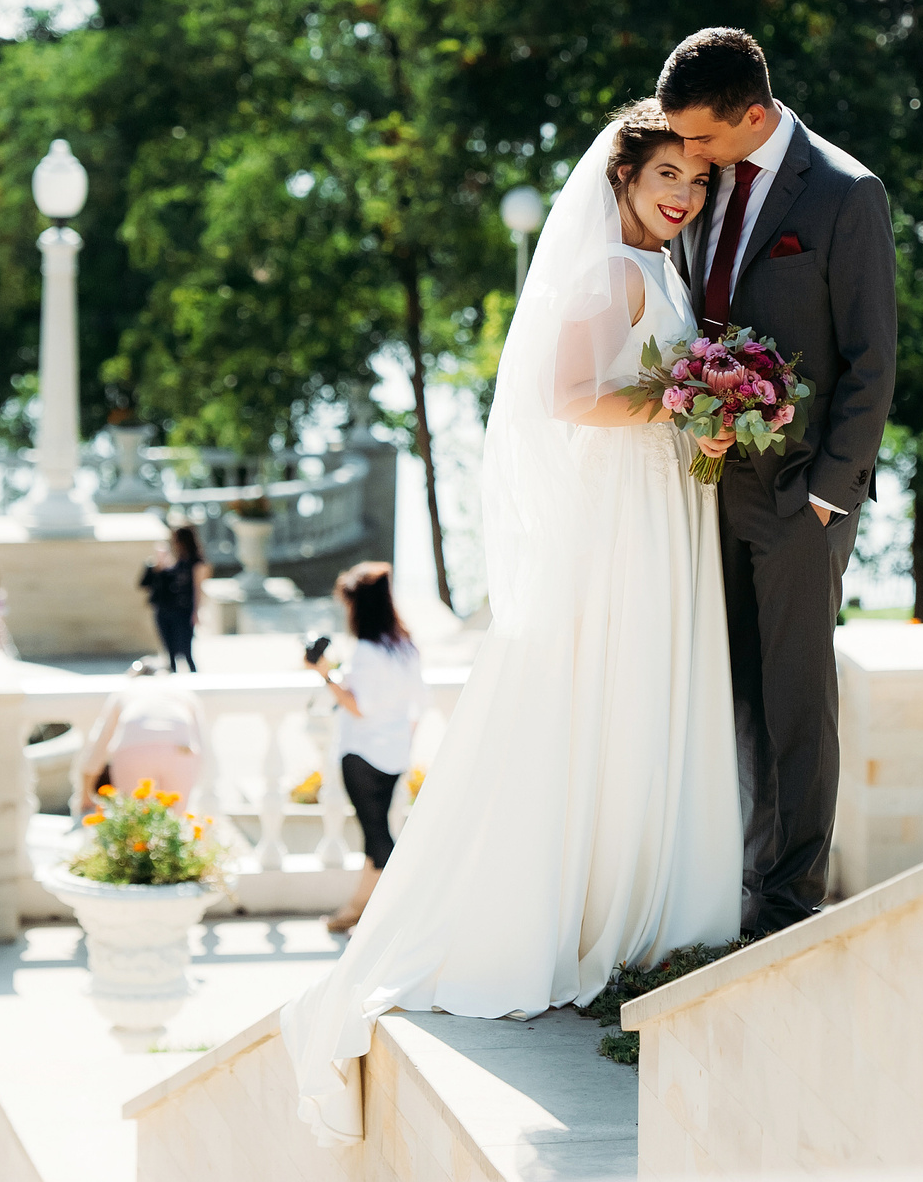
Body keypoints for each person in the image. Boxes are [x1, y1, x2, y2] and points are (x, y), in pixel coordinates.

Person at [280, 99, 744, 1145]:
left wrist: (706, 406)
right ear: (623, 178)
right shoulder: (611, 271)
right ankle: (581, 915)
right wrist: (687, 399)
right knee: (608, 695)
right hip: (622, 519)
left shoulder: (662, 268)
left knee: (643, 699)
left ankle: (638, 909)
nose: (683, 193)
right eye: (666, 175)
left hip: (659, 507)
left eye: (697, 178)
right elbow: (570, 394)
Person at [659, 26, 897, 937]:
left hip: (801, 496)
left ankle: (787, 910)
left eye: (703, 137)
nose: (689, 153)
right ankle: (728, 889)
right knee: (727, 695)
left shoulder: (844, 193)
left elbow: (873, 360)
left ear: (754, 115)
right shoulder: (703, 181)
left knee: (795, 704)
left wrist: (829, 496)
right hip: (704, 489)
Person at [307, 562, 430, 934]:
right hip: (393, 754)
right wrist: (403, 740)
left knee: (378, 838)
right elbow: (419, 702)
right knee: (376, 834)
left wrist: (324, 674)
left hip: (361, 754)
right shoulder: (405, 647)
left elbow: (359, 706)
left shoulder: (366, 651)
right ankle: (358, 909)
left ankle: (392, 913)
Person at [72, 660, 214, 820]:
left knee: (134, 821)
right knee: (175, 821)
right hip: (181, 750)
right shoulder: (183, 692)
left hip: (133, 750)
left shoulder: (126, 690)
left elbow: (99, 742)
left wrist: (85, 794)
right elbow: (202, 742)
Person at [139, 524, 206, 673]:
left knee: (186, 651)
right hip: (165, 607)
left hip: (184, 610)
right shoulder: (173, 560)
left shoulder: (196, 562)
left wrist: (196, 612)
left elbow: (197, 589)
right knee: (170, 652)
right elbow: (148, 582)